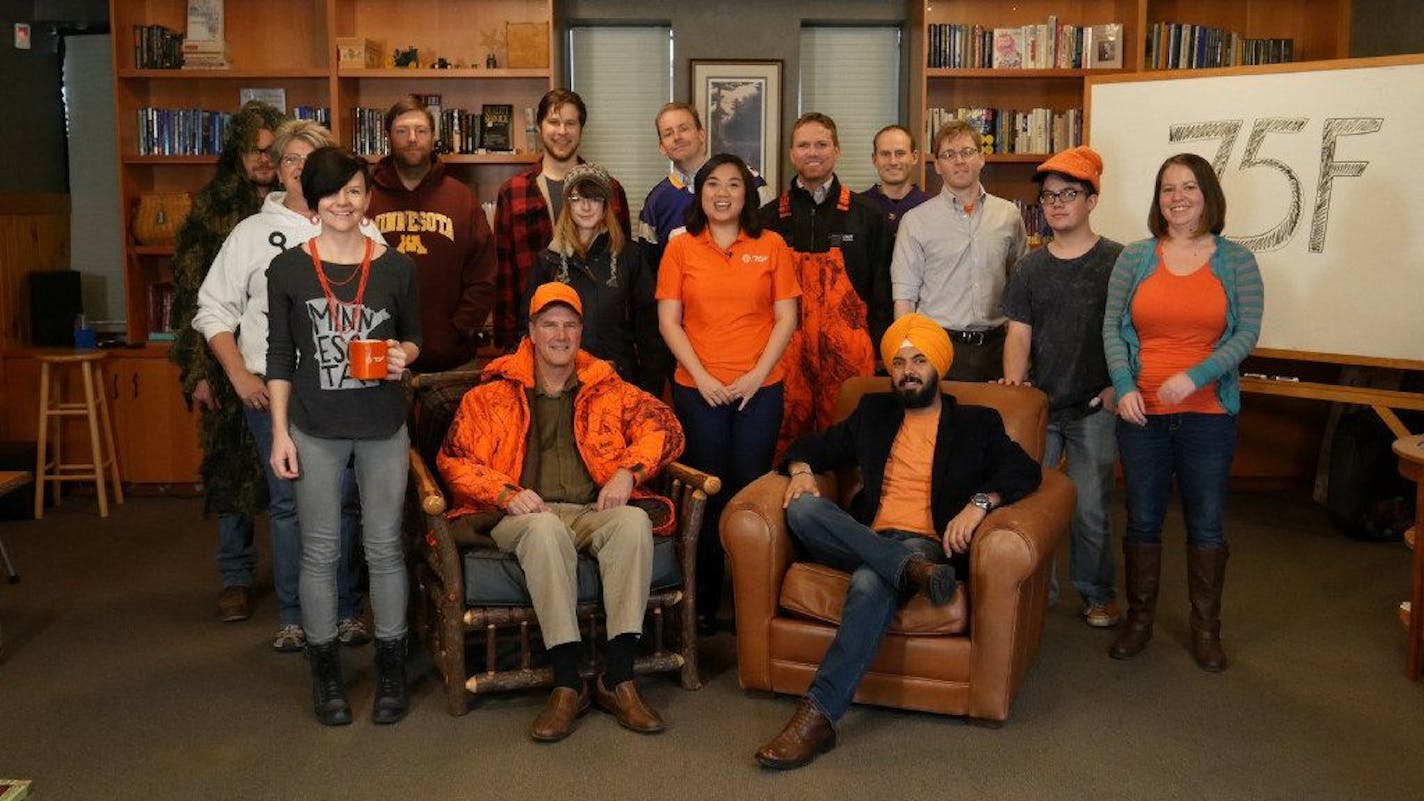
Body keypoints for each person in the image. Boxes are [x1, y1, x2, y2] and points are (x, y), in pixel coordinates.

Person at [755, 313, 1041, 770]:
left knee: (871, 583)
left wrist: (980, 503)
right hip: (870, 536)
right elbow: (812, 446)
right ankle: (904, 570)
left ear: (938, 367)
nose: (908, 370)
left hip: (925, 545)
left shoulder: (977, 423)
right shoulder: (874, 411)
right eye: (899, 362)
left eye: (919, 360)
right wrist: (802, 470)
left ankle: (817, 717)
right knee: (804, 507)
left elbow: (1025, 470)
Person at [437, 282, 686, 742]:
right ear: (531, 332)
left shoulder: (607, 388)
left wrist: (628, 473)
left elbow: (663, 426)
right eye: (549, 324)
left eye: (570, 325)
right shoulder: (491, 395)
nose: (560, 334)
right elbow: (454, 460)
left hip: (591, 509)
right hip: (523, 515)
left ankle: (618, 678)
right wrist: (505, 491)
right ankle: (568, 683)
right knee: (545, 530)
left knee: (633, 522)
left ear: (581, 332)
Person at [192, 120, 377, 652]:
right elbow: (213, 310)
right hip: (271, 392)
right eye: (290, 159)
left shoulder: (360, 227)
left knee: (342, 502)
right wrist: (239, 373)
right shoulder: (253, 231)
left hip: (343, 395)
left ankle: (343, 610)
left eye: (310, 158)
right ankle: (296, 615)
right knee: (290, 504)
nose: (299, 168)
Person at [266, 147, 423, 726]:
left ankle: (390, 668)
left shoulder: (396, 268)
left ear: (367, 198)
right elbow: (279, 357)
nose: (343, 202)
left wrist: (400, 355)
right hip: (314, 428)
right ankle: (325, 672)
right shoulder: (286, 269)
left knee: (383, 549)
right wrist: (280, 433)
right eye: (332, 192)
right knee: (320, 550)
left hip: (383, 425)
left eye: (355, 191)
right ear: (312, 199)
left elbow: (415, 339)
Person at [1102, 152, 1264, 672]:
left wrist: (1194, 377)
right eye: (1168, 188)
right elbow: (1111, 328)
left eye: (1188, 187)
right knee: (1143, 519)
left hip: (1209, 414)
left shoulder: (1237, 261)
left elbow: (1246, 335)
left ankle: (1206, 630)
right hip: (1141, 415)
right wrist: (1124, 386)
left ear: (1207, 195)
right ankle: (1139, 621)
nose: (1177, 197)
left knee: (1207, 524)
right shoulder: (1134, 257)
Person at [658, 153, 800, 634]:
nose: (723, 193)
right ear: (699, 193)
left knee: (752, 491)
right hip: (699, 391)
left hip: (759, 389)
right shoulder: (680, 248)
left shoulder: (772, 244)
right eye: (713, 184)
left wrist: (756, 377)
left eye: (734, 185)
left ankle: (751, 601)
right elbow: (668, 322)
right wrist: (703, 378)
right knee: (707, 492)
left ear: (747, 193)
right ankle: (701, 604)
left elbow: (786, 318)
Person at [168, 99, 285, 625]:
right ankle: (236, 576)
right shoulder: (212, 209)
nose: (262, 161)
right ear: (235, 153)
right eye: (252, 151)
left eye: (270, 152)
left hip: (277, 363)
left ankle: (299, 578)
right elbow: (193, 297)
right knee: (230, 469)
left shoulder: (294, 206)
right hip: (222, 359)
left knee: (290, 477)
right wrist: (196, 372)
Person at [1000, 146, 1124, 627]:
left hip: (1095, 405)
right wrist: (1015, 388)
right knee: (1031, 503)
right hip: (1041, 405)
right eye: (1049, 196)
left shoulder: (1118, 261)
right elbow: (1018, 332)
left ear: (1092, 200)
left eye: (1069, 194)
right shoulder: (1030, 267)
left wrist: (1118, 387)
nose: (1056, 204)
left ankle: (1096, 593)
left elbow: (1132, 332)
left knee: (1089, 507)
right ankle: (1037, 590)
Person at [758, 112, 892, 453]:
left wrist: (881, 351)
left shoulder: (867, 215)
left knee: (851, 437)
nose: (812, 152)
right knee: (785, 440)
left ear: (837, 151)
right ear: (791, 153)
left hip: (849, 352)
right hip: (785, 351)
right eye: (803, 145)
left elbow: (883, 291)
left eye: (821, 144)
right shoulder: (768, 219)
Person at [892, 119, 1029, 382]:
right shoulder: (915, 221)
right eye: (949, 155)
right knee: (940, 423)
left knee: (994, 421)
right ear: (937, 166)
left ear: (982, 158)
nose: (959, 161)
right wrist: (909, 357)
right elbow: (905, 300)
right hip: (936, 346)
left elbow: (1021, 285)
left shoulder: (1008, 215)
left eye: (967, 152)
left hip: (997, 348)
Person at [494, 89, 632, 349]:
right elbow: (505, 275)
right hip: (535, 335)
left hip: (598, 338)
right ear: (539, 126)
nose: (562, 131)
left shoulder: (610, 191)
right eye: (554, 122)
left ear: (581, 129)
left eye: (570, 123)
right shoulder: (513, 192)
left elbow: (625, 267)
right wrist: (509, 345)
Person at [367, 95, 496, 372]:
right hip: (380, 358)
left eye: (420, 130)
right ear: (388, 136)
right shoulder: (365, 199)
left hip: (451, 359)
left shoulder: (461, 198)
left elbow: (484, 275)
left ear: (433, 136)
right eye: (402, 131)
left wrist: (459, 329)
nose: (412, 138)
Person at [519, 162, 669, 395]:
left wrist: (648, 391)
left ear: (606, 205)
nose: (585, 207)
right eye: (577, 199)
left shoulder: (630, 256)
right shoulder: (548, 260)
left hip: (618, 383)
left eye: (594, 198)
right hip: (562, 387)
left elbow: (650, 332)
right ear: (567, 205)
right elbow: (527, 330)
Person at [636, 102, 772, 274]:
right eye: (668, 133)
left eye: (684, 128)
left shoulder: (748, 180)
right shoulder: (655, 202)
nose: (677, 137)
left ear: (701, 135)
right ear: (662, 147)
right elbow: (650, 270)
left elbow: (773, 243)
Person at [861, 124, 931, 235]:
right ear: (874, 160)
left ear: (914, 157)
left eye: (900, 153)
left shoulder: (931, 208)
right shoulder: (858, 207)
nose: (893, 161)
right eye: (885, 154)